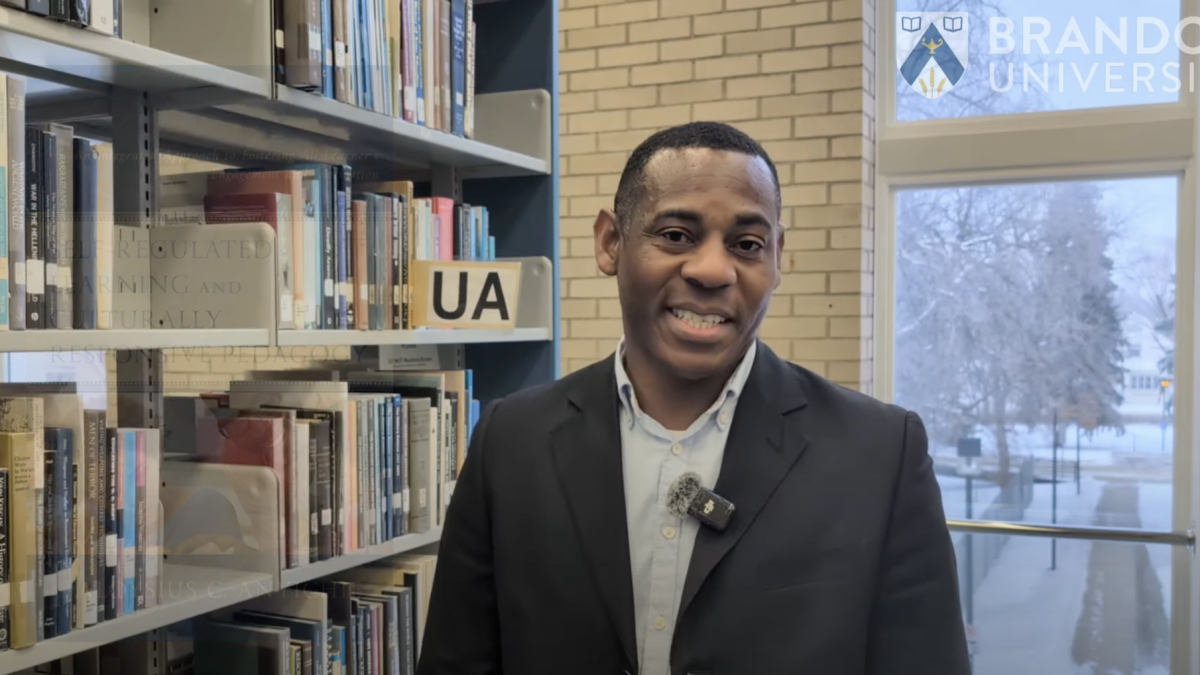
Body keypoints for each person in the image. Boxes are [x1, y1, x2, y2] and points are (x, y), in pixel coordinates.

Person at [416, 121, 971, 675]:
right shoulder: (512, 439)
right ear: (611, 242)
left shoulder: (880, 453)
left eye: (747, 244)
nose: (711, 270)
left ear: (777, 258)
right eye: (677, 235)